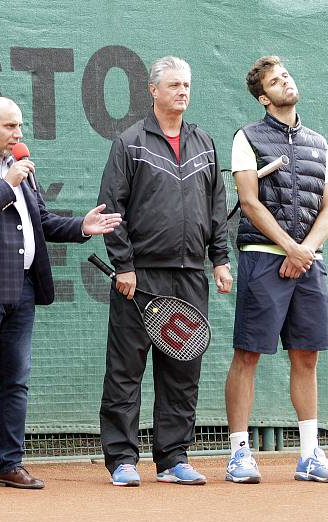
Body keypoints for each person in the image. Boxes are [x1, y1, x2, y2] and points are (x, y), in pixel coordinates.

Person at [0, 96, 122, 490]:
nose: (18, 134)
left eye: (19, 127)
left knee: (17, 380)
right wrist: (7, 184)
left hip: (21, 290)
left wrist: (82, 227)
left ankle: (9, 463)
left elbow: (39, 220)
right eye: (9, 127)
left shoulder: (20, 168)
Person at [97, 56, 232, 487]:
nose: (183, 92)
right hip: (140, 278)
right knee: (125, 369)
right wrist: (124, 264)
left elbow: (215, 207)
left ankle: (174, 457)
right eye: (174, 84)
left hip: (191, 274)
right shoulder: (130, 142)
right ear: (153, 90)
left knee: (182, 369)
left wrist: (220, 259)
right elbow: (111, 208)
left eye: (187, 85)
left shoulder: (205, 142)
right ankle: (122, 458)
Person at [223, 56, 328, 484]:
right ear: (263, 97)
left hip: (308, 262)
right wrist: (288, 247)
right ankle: (239, 454)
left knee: (306, 356)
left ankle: (310, 455)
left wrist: (304, 251)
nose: (285, 83)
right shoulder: (247, 138)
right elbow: (250, 201)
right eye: (275, 81)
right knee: (248, 354)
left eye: (287, 76)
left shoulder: (319, 143)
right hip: (262, 257)